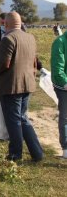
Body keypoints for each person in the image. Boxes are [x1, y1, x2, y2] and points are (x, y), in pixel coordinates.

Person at [0, 12, 43, 162]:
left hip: (11, 86)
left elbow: (4, 64)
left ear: (6, 24)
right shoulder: (30, 37)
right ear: (20, 22)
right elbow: (34, 61)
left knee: (13, 121)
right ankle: (37, 153)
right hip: (27, 84)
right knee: (23, 118)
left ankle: (15, 154)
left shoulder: (8, 39)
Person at [51, 28, 67, 158]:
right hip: (63, 87)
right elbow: (58, 69)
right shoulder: (60, 42)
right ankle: (66, 150)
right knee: (65, 117)